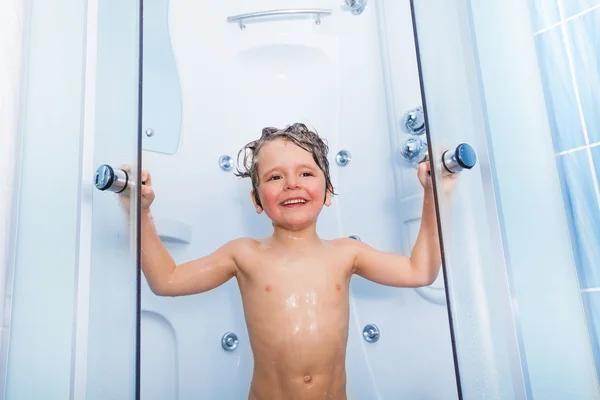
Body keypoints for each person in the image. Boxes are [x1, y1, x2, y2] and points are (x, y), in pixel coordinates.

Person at [124, 123, 457, 400]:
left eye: (306, 173)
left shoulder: (346, 253)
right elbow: (166, 280)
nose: (292, 183)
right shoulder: (244, 255)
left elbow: (420, 271)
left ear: (327, 192)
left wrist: (433, 194)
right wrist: (140, 210)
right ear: (257, 200)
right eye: (274, 177)